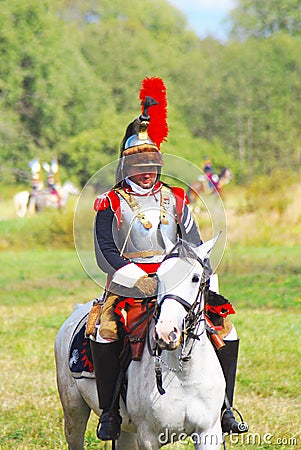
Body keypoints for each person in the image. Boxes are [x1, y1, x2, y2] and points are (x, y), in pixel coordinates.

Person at [89, 76, 246, 441]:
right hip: (130, 280)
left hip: (175, 280)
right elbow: (105, 250)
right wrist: (133, 276)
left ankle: (225, 407)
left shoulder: (176, 198)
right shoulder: (110, 202)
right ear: (126, 165)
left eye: (151, 162)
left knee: (226, 328)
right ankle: (111, 411)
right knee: (107, 330)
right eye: (137, 163)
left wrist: (201, 274)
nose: (145, 169)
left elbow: (192, 243)